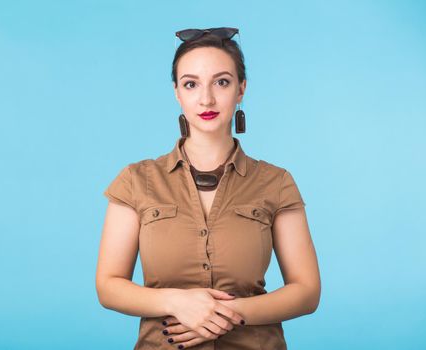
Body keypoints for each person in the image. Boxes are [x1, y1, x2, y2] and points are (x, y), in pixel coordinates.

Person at [96, 27, 321, 350]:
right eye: (191, 84)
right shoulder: (135, 180)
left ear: (241, 89)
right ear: (177, 92)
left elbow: (307, 291)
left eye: (222, 82)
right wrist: (176, 302)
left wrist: (222, 313)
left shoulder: (276, 182)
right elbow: (108, 286)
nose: (207, 98)